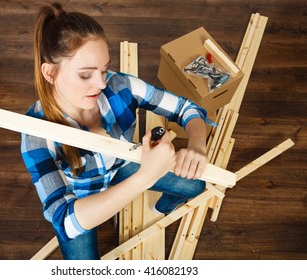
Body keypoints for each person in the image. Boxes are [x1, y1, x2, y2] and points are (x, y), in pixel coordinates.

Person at [21, 2, 213, 260]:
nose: (101, 83)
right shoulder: (35, 134)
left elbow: (187, 109)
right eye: (86, 75)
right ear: (50, 72)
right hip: (82, 197)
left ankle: (162, 206)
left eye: (103, 69)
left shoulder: (120, 85)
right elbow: (65, 220)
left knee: (195, 185)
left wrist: (197, 147)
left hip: (122, 167)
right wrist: (146, 176)